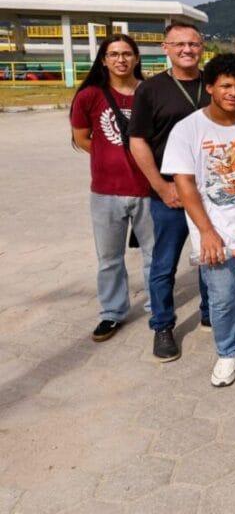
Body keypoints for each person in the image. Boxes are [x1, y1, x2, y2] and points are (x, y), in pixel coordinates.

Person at [161, 53, 235, 387]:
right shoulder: (188, 129)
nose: (233, 92)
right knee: (224, 295)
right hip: (213, 229)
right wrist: (207, 232)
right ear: (210, 87)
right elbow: (184, 184)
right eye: (225, 85)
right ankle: (227, 351)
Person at [129, 23, 212, 361]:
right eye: (179, 44)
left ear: (202, 47)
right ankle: (162, 325)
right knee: (163, 263)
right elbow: (137, 141)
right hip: (170, 194)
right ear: (166, 48)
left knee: (212, 256)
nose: (187, 50)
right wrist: (160, 186)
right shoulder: (150, 89)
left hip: (211, 192)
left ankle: (212, 313)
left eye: (193, 44)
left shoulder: (214, 84)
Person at [69, 34, 153, 342]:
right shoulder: (90, 95)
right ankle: (112, 312)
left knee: (154, 255)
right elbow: (81, 138)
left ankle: (158, 306)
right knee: (109, 258)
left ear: (136, 58)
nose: (121, 59)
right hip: (105, 192)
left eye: (127, 53)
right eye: (114, 54)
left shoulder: (149, 92)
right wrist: (109, 156)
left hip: (148, 189)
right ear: (104, 59)